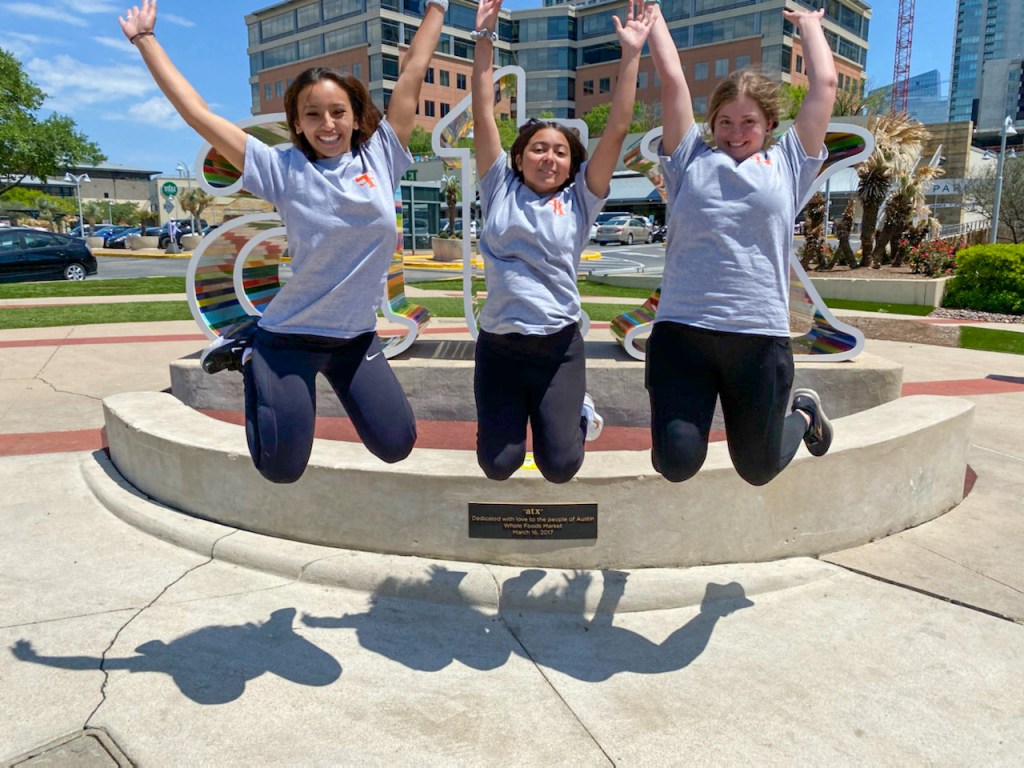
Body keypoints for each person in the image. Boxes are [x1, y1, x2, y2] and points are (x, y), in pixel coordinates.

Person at [119, 0, 446, 483]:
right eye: (313, 114)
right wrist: (145, 40)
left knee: (397, 444)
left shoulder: (382, 156)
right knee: (281, 468)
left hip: (354, 338)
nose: (327, 124)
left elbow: (413, 71)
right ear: (296, 123)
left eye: (338, 112)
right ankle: (253, 350)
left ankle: (251, 346)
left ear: (357, 117)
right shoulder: (280, 169)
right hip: (289, 338)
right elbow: (197, 115)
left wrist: (437, 7)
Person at [644, 4, 838, 486]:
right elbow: (673, 82)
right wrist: (653, 15)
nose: (735, 133)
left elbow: (825, 85)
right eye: (725, 121)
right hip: (683, 333)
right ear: (711, 123)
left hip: (758, 338)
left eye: (747, 122)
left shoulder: (789, 164)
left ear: (769, 124)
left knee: (758, 468)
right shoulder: (687, 159)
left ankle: (805, 415)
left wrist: (810, 27)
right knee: (675, 463)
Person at [470, 0, 654, 483]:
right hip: (499, 349)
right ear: (519, 158)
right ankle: (511, 425)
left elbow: (617, 128)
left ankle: (578, 412)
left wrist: (631, 54)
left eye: (559, 152)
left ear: (572, 165)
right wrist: (485, 37)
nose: (548, 158)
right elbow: (483, 111)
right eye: (538, 149)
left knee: (561, 466)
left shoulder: (580, 199)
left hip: (557, 347)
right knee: (498, 464)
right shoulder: (498, 187)